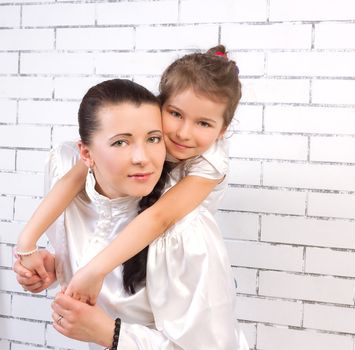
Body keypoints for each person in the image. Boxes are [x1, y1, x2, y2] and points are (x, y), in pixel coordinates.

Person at [15, 45, 249, 349]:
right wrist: (34, 249)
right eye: (175, 114)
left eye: (203, 123)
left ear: (222, 130)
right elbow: (74, 178)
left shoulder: (202, 182)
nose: (182, 133)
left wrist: (95, 277)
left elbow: (160, 217)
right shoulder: (91, 167)